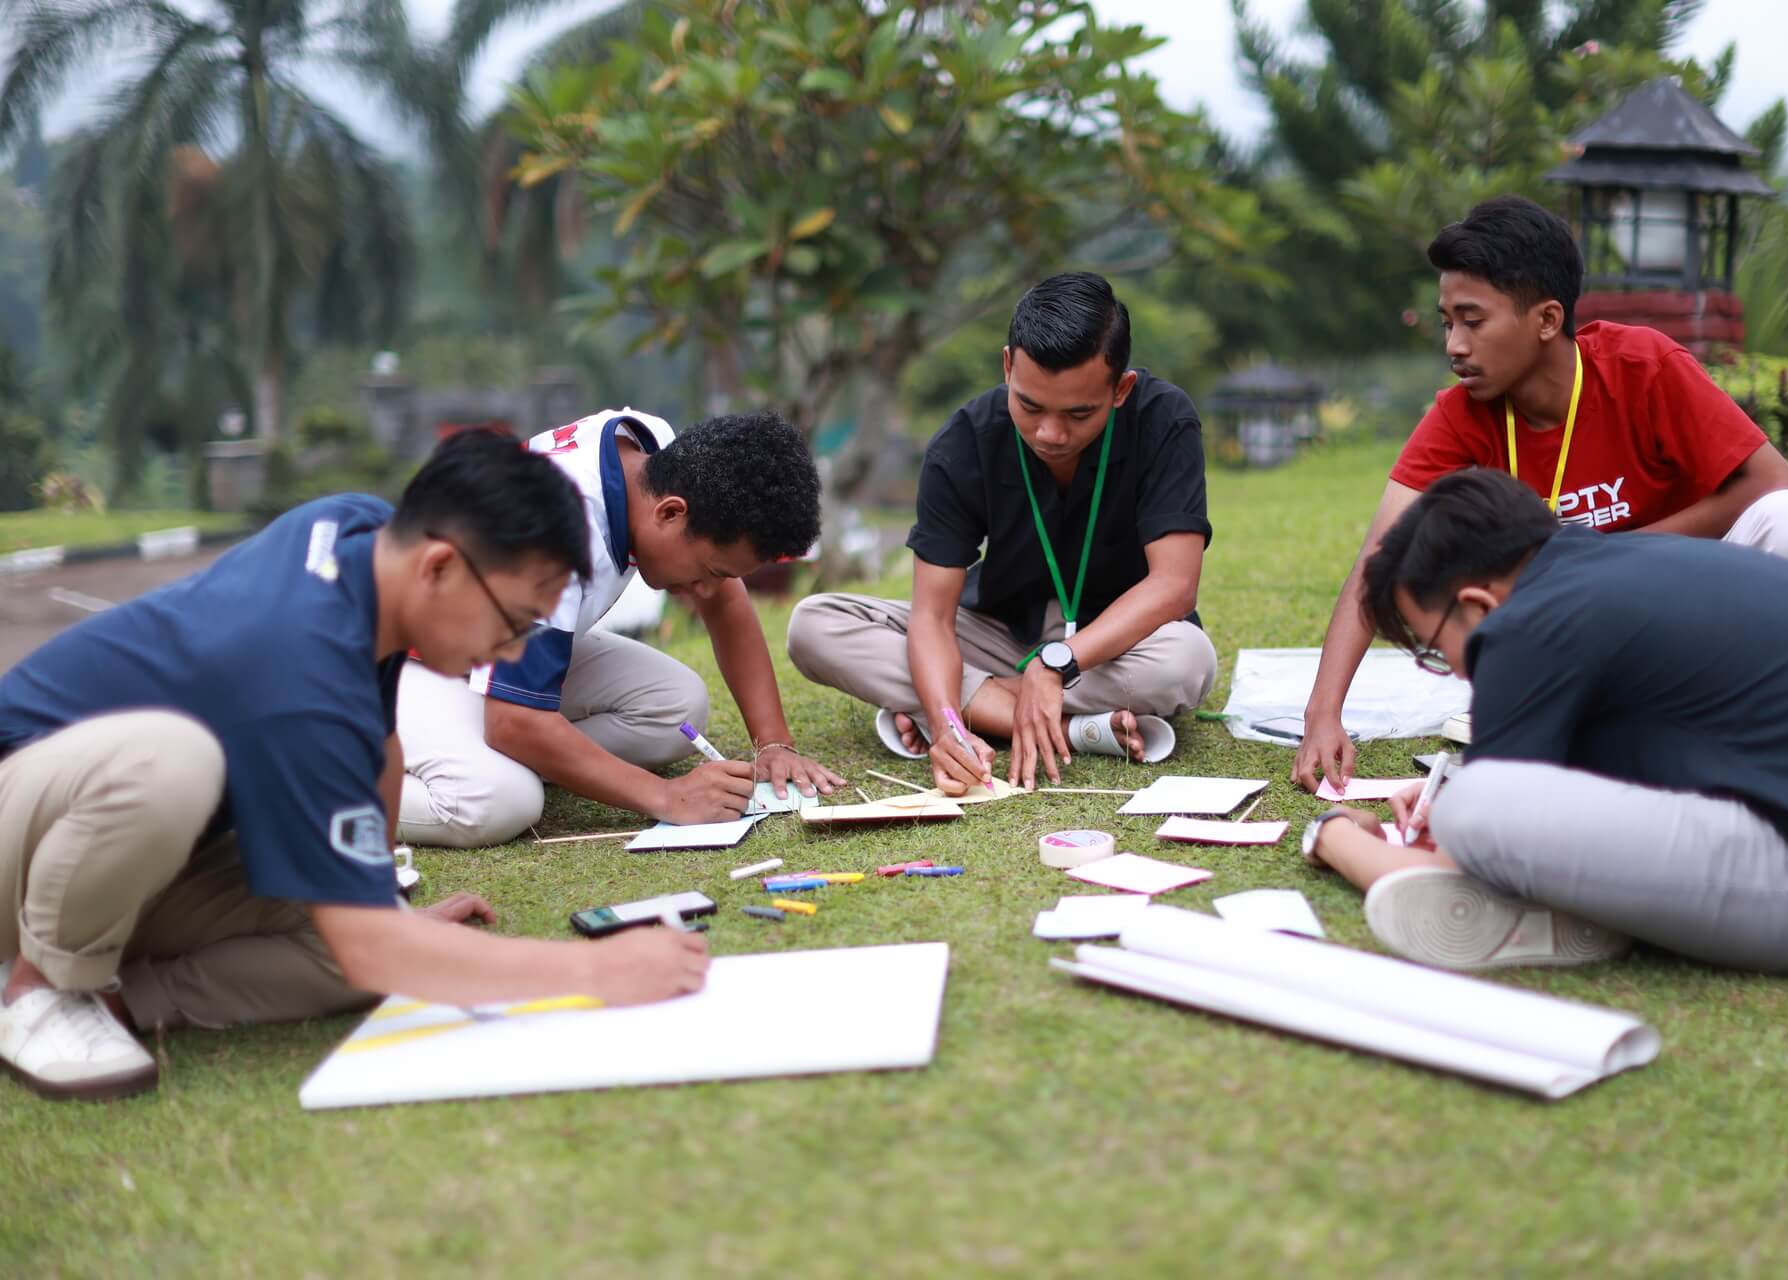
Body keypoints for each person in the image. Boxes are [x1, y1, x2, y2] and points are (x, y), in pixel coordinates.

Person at [0, 433, 710, 1101]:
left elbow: (382, 742)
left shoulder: (360, 535)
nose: (515, 652)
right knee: (170, 763)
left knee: (372, 947)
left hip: (126, 862)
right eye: (516, 621)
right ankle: (40, 990)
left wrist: (386, 907)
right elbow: (372, 943)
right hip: (33, 817)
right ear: (439, 567)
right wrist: (597, 971)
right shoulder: (296, 663)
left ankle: (124, 999)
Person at [1292, 195, 1788, 792]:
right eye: (1448, 322)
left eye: (1473, 321)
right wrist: (1322, 715)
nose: (1453, 344)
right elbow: (1380, 556)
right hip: (1578, 636)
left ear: (1548, 320)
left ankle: (1767, 709)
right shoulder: (1460, 414)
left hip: (1685, 598)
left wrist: (1609, 557)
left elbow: (1773, 481)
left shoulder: (1643, 364)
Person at [1296, 467, 1788, 976]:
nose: (1457, 672)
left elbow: (1465, 847)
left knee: (1476, 807)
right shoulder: (1612, 567)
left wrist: (1335, 834)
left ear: (1476, 605)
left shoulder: (1527, 624)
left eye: (1435, 649)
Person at [786, 272, 1217, 793]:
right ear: (1008, 365)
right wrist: (950, 728)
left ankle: (959, 704)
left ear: (1120, 389)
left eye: (1079, 414)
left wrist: (1054, 666)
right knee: (815, 624)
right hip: (996, 636)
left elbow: (1174, 586)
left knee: (1186, 662)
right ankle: (1062, 729)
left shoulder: (1163, 419)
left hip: (1117, 645)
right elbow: (932, 616)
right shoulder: (964, 439)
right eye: (1030, 406)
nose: (1050, 434)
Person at [396, 409, 843, 849]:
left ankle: (490, 752)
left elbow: (726, 601)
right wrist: (666, 796)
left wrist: (774, 746)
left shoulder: (658, 457)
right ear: (670, 513)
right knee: (499, 801)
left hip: (488, 652)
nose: (709, 589)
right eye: (710, 570)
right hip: (404, 662)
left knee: (677, 709)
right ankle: (338, 780)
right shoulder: (547, 532)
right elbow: (512, 724)